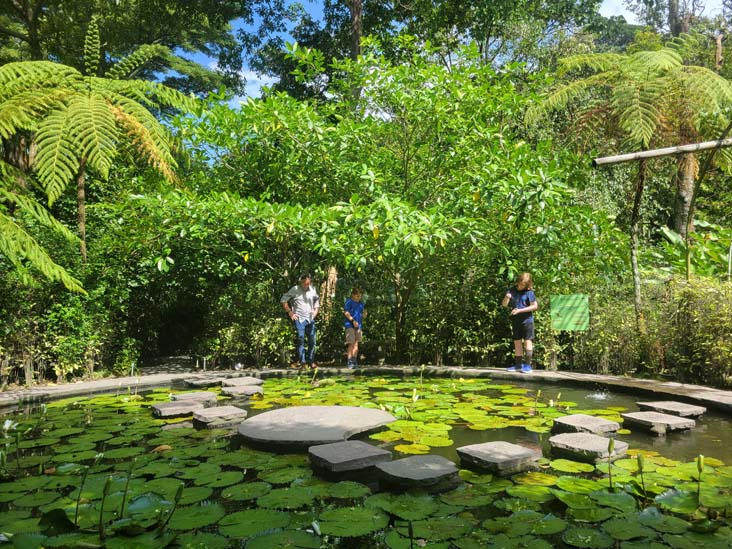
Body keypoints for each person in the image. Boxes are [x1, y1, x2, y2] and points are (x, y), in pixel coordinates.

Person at [281, 273, 320, 368]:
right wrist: (290, 312)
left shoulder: (312, 289)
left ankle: (311, 361)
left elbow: (316, 302)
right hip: (299, 319)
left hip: (310, 319)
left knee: (312, 341)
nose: (306, 285)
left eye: (308, 283)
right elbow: (283, 300)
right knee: (301, 339)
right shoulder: (295, 289)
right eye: (305, 283)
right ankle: (302, 362)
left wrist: (315, 312)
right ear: (301, 282)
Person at [501, 272, 538, 373]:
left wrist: (520, 310)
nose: (521, 286)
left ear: (528, 285)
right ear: (518, 281)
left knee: (527, 341)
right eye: (520, 284)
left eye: (524, 285)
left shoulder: (529, 292)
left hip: (527, 321)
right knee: (517, 342)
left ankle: (527, 366)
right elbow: (504, 305)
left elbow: (535, 306)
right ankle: (518, 365)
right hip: (515, 320)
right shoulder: (512, 290)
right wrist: (507, 297)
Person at [344, 287, 367, 368]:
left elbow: (363, 316)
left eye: (360, 296)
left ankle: (354, 361)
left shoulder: (361, 304)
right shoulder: (349, 301)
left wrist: (365, 313)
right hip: (350, 325)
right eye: (357, 296)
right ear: (353, 295)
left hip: (359, 326)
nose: (359, 297)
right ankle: (349, 362)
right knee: (351, 343)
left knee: (356, 344)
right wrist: (353, 321)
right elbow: (346, 313)